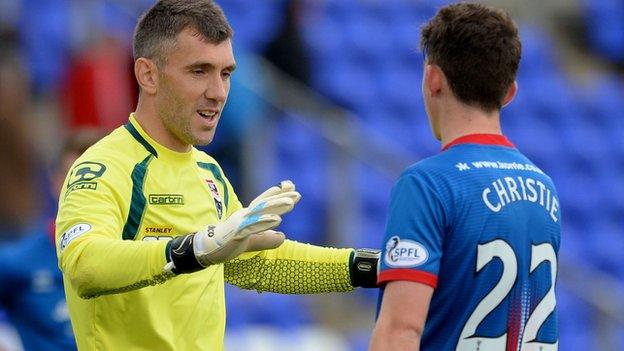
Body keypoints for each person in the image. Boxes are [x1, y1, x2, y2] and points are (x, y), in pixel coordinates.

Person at [54, 1, 379, 350]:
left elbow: (257, 265)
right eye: (199, 71)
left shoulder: (208, 172)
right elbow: (84, 265)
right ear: (148, 75)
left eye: (225, 73)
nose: (218, 92)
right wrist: (193, 249)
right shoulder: (104, 166)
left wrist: (370, 267)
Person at [369, 3, 560, 350]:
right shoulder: (543, 187)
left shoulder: (427, 185)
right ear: (509, 92)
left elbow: (401, 330)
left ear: (433, 79)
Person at [0, 130, 102, 351]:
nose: (84, 191)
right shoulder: (17, 261)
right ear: (55, 182)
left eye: (97, 181)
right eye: (74, 178)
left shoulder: (141, 254)